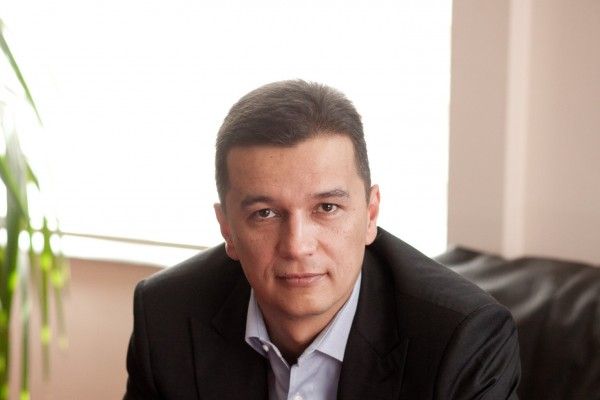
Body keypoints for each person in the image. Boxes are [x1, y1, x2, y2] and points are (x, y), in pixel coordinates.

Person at [124, 80, 520, 400]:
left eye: (326, 208)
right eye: (265, 213)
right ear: (227, 228)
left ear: (370, 214)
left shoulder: (462, 339)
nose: (297, 245)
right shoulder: (166, 315)